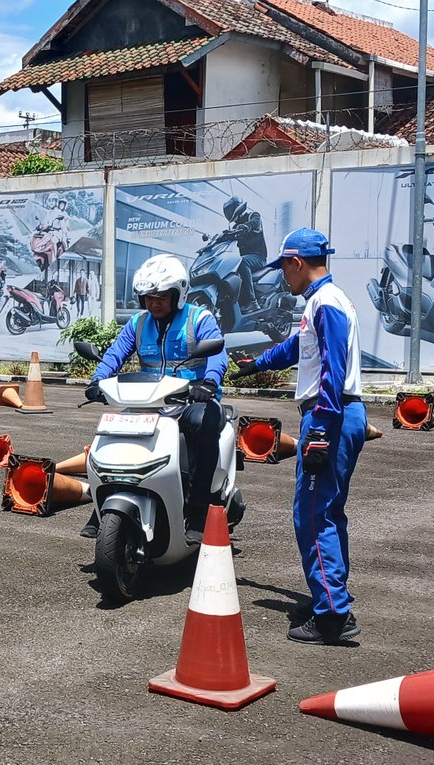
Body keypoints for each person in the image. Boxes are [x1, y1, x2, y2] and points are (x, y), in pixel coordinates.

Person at [236, 228, 365, 646]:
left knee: (312, 516)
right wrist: (255, 364)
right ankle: (333, 598)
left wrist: (321, 432)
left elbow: (332, 369)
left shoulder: (326, 304)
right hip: (341, 413)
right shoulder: (325, 301)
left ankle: (332, 617)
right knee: (328, 512)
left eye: (284, 270)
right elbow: (296, 349)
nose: (282, 279)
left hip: (332, 414)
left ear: (296, 263)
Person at [83, 253, 228, 546]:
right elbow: (115, 353)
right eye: (148, 297)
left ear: (178, 294)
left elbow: (217, 354)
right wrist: (97, 380)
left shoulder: (199, 318)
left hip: (192, 399)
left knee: (202, 423)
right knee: (113, 428)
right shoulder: (138, 323)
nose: (154, 303)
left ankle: (199, 510)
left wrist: (209, 383)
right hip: (149, 400)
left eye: (161, 297)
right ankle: (103, 507)